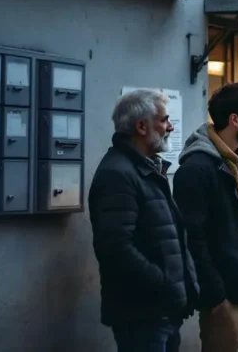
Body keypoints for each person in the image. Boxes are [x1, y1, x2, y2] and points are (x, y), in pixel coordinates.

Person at [172, 83, 238, 352]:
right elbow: (191, 236)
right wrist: (215, 293)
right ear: (234, 120)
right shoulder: (197, 168)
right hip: (228, 300)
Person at [89, 89, 199, 352]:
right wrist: (164, 283)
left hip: (162, 311)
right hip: (143, 315)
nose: (170, 127)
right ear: (141, 126)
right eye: (164, 120)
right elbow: (115, 248)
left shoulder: (145, 169)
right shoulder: (118, 174)